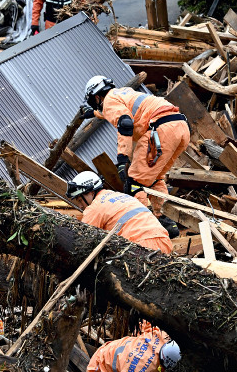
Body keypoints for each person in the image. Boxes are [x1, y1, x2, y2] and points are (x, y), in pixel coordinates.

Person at [80, 76, 190, 237]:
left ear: (97, 97)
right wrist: (95, 113)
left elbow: (125, 122)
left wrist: (122, 159)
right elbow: (118, 111)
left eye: (95, 103)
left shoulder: (109, 100)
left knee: (134, 183)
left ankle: (143, 227)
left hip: (160, 131)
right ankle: (166, 222)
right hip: (179, 127)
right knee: (154, 178)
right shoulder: (123, 93)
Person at [66, 171, 173, 254]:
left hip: (141, 246)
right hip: (164, 241)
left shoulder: (94, 208)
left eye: (80, 200)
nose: (80, 205)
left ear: (91, 192)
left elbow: (82, 241)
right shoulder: (119, 196)